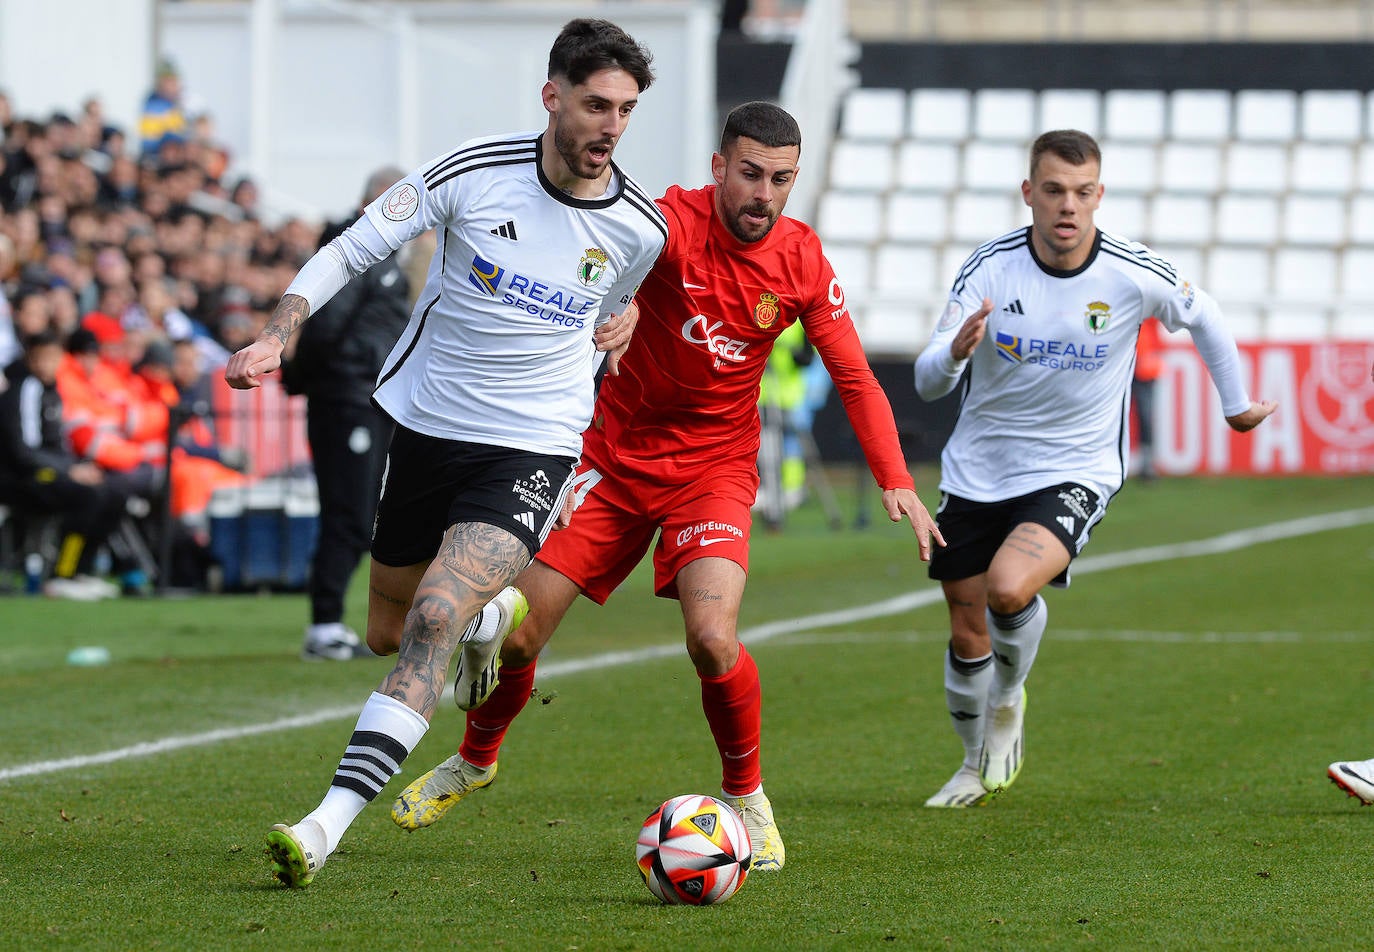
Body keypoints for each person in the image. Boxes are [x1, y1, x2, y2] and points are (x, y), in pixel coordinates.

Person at [392, 101, 945, 873]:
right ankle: (477, 759)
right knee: (519, 634)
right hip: (610, 459)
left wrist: (896, 478)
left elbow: (853, 374)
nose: (764, 193)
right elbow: (582, 276)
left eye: (781, 179)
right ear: (719, 168)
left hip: (712, 472)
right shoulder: (661, 225)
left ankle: (746, 793)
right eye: (750, 173)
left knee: (713, 639)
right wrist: (607, 318)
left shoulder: (801, 260)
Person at [224, 18, 664, 889]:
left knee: (430, 617)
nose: (610, 126)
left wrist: (628, 320)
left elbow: (614, 311)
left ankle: (322, 828)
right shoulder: (473, 171)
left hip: (534, 445)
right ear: (553, 97)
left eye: (625, 110)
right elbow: (353, 247)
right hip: (426, 430)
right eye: (594, 104)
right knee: (387, 626)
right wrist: (280, 333)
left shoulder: (638, 229)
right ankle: (486, 622)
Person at [914, 129, 1277, 809]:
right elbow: (930, 381)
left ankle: (1010, 697)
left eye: (1082, 193)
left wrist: (1234, 405)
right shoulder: (990, 268)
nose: (1068, 206)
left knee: (1008, 588)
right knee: (966, 633)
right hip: (977, 471)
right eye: (1053, 190)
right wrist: (956, 353)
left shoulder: (1130, 270)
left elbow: (1205, 314)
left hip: (1075, 466)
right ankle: (972, 764)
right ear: (1030, 194)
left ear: (1100, 195)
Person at [281, 166, 411, 661]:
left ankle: (336, 621)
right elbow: (325, 325)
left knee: (364, 515)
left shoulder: (386, 259)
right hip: (347, 399)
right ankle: (325, 624)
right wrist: (309, 380)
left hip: (368, 398)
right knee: (350, 515)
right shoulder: (356, 250)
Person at [0, 329, 127, 600]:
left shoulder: (53, 391)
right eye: (42, 359)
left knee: (114, 495)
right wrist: (70, 471)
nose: (48, 365)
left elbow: (58, 445)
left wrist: (81, 467)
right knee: (87, 497)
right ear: (31, 360)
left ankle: (82, 570)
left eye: (53, 358)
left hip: (49, 470)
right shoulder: (25, 390)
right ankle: (61, 574)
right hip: (21, 478)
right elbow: (24, 452)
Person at [1131, 315, 1163, 480]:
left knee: (1145, 417)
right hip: (1123, 369)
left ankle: (1147, 463)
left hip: (1144, 370)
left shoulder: (1149, 314)